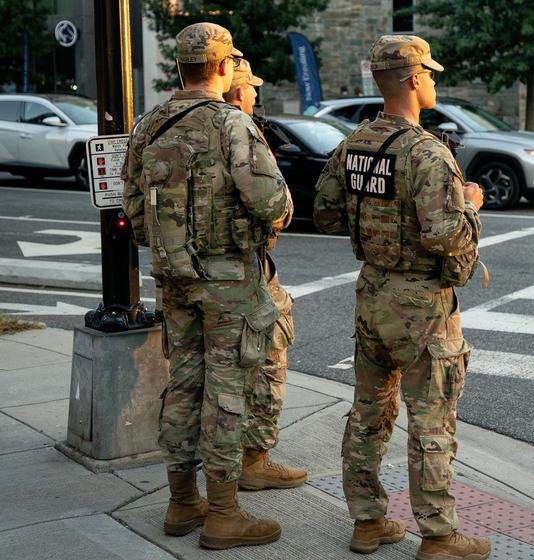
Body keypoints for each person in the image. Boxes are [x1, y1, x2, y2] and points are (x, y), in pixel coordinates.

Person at [313, 35, 489, 560]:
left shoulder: (354, 144)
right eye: (430, 74)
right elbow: (444, 236)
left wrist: (374, 226)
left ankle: (368, 523)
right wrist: (472, 206)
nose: (434, 81)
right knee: (430, 419)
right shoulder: (427, 153)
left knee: (368, 412)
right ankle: (438, 535)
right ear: (413, 79)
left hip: (372, 294)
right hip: (421, 305)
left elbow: (324, 214)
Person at [121, 22, 291, 550]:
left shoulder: (147, 125)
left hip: (173, 280)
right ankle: (223, 513)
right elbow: (274, 204)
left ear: (179, 67)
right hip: (229, 283)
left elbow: (130, 208)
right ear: (222, 68)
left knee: (183, 384)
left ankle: (180, 502)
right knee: (225, 392)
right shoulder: (232, 124)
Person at [222, 58, 308, 491]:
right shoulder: (240, 132)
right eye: (252, 88)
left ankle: (185, 496)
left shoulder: (161, 125)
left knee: (196, 377)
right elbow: (276, 209)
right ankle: (254, 460)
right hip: (242, 273)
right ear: (238, 92)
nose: (256, 95)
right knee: (268, 357)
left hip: (184, 275)